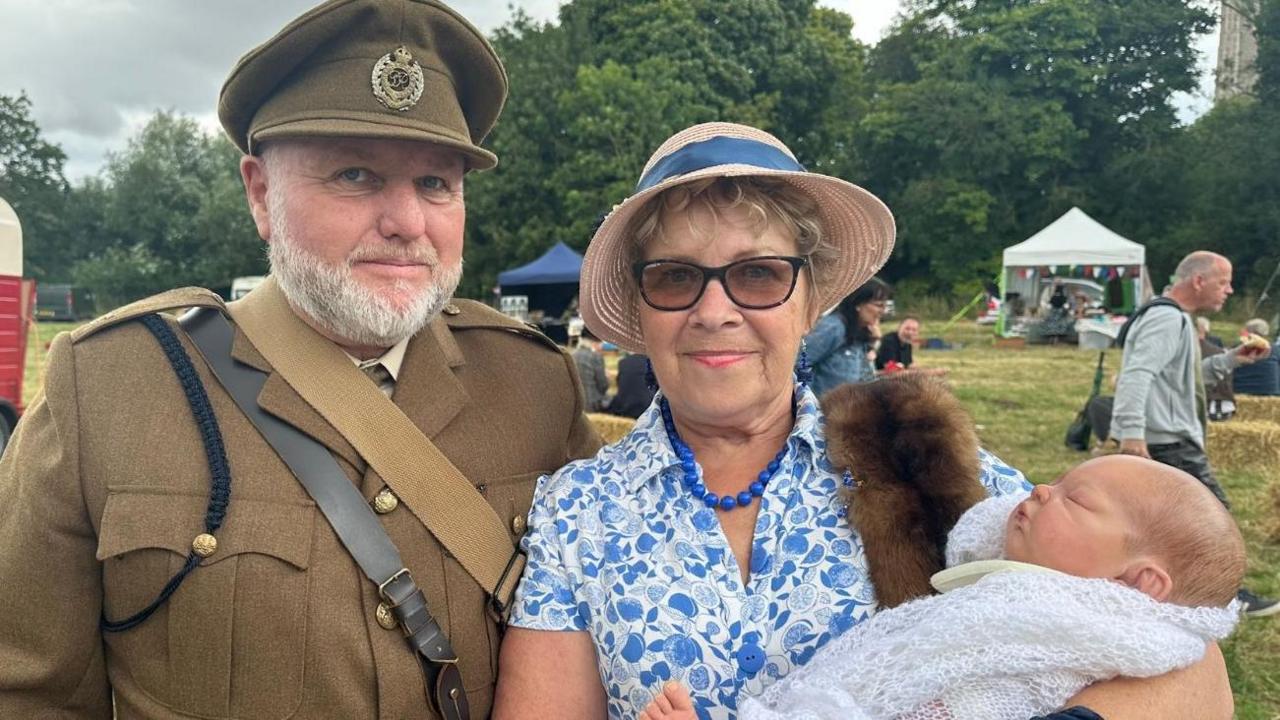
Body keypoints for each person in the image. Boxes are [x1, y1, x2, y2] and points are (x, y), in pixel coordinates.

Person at [491, 122, 1232, 720]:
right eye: (675, 277)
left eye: (758, 274)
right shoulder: (578, 512)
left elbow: (1175, 650)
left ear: (811, 302)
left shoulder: (928, 464)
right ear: (641, 312)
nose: (715, 312)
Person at [0, 1, 600, 717]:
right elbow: (28, 693)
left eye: (436, 183)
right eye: (355, 175)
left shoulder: (536, 386)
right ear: (260, 193)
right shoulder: (106, 388)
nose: (407, 222)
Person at [642, 455, 1246, 720]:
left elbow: (1190, 655)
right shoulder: (583, 500)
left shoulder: (914, 447)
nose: (1037, 490)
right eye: (676, 278)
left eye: (1075, 498)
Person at [1111, 250, 1276, 617]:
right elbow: (1137, 375)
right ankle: (1224, 598)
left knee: (1165, 526)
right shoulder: (1166, 320)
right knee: (1214, 520)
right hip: (1168, 441)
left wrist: (1232, 359)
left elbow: (1185, 379)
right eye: (1224, 281)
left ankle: (1169, 592)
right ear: (1198, 281)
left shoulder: (1176, 320)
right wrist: (1132, 435)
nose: (1230, 290)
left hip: (1167, 438)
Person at [804, 277, 892, 394]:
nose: (883, 311)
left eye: (885, 306)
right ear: (858, 304)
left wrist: (875, 341)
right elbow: (800, 362)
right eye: (879, 305)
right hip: (822, 408)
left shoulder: (859, 333)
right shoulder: (834, 327)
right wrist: (808, 403)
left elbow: (865, 376)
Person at [1232, 318, 1280, 396]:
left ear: (1248, 332)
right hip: (1270, 393)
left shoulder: (1236, 348)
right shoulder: (1275, 350)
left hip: (1239, 390)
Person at [606, 351, 658, 419]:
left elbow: (619, 383)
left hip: (624, 408)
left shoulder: (623, 362)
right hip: (647, 408)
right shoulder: (653, 363)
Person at [574, 327, 612, 412]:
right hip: (593, 404)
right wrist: (607, 378)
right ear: (596, 343)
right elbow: (603, 387)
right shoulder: (596, 357)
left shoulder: (573, 355)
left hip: (576, 404)